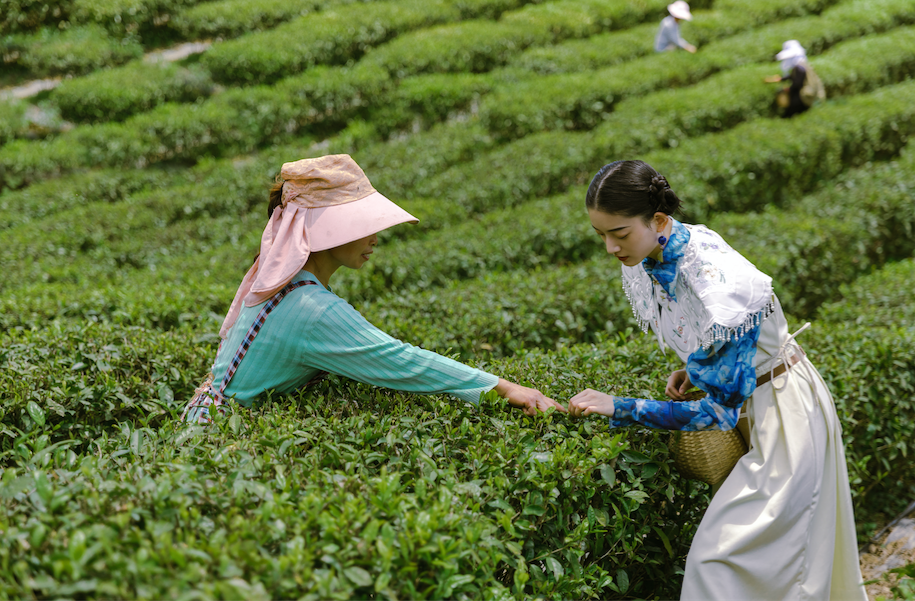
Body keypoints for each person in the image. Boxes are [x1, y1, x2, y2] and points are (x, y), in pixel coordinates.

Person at [567, 160, 867, 600]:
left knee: (724, 562)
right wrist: (698, 364)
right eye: (602, 235)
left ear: (659, 220)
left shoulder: (713, 276)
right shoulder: (658, 251)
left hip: (784, 418)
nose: (611, 248)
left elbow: (717, 413)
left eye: (620, 233)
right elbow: (720, 341)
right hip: (760, 404)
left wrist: (619, 406)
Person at [183, 154, 564, 423]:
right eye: (361, 225)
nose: (375, 237)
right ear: (326, 229)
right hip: (220, 439)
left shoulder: (283, 281)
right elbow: (402, 361)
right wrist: (505, 388)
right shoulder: (313, 311)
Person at [764, 39, 825, 118]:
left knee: (790, 113)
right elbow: (792, 76)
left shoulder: (799, 67)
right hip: (804, 94)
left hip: (803, 96)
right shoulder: (801, 65)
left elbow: (797, 83)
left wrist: (787, 90)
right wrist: (780, 79)